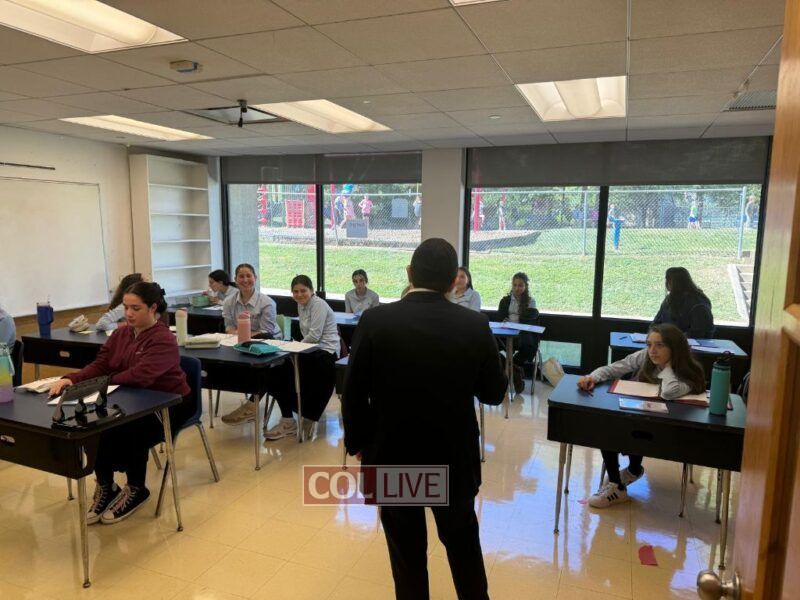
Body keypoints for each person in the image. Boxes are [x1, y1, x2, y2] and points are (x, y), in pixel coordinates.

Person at [343, 238, 506, 600]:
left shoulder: (376, 320)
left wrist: (360, 443)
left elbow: (352, 392)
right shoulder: (475, 324)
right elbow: (493, 394)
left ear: (409, 273)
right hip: (454, 459)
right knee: (463, 546)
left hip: (393, 455)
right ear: (453, 281)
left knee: (407, 554)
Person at [48, 282, 191, 524]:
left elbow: (140, 376)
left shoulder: (164, 339)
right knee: (94, 425)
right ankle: (107, 485)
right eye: (126, 307)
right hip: (128, 398)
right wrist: (71, 379)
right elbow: (101, 364)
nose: (129, 314)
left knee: (130, 427)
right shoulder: (121, 334)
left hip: (169, 404)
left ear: (152, 308)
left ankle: (137, 488)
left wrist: (102, 383)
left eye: (136, 308)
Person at [577, 324, 705, 508]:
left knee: (632, 430)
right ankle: (617, 485)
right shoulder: (646, 356)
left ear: (675, 348)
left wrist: (668, 365)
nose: (652, 351)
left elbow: (668, 392)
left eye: (660, 345)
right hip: (641, 414)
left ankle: (633, 470)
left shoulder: (687, 374)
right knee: (608, 424)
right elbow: (616, 368)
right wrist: (592, 377)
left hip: (666, 427)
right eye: (649, 344)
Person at [264, 275, 339, 441]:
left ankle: (294, 418)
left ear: (312, 290)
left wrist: (293, 347)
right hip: (309, 351)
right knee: (275, 372)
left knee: (281, 372)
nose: (299, 295)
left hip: (325, 353)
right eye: (295, 292)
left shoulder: (318, 304)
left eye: (303, 291)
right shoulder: (301, 305)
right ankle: (288, 419)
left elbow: (314, 335)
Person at [220, 263, 282, 425]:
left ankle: (251, 406)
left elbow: (266, 332)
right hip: (242, 343)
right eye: (241, 276)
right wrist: (242, 335)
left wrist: (241, 334)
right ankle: (250, 403)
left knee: (263, 369)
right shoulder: (229, 302)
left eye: (249, 276)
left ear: (255, 278)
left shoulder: (267, 302)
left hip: (269, 344)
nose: (245, 280)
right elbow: (228, 328)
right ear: (235, 279)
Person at [497, 272, 539, 394]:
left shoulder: (530, 301)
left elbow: (529, 319)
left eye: (520, 285)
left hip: (523, 333)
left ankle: (511, 367)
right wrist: (504, 320)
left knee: (528, 346)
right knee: (491, 345)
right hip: (506, 332)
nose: (517, 288)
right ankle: (515, 372)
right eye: (514, 285)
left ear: (526, 286)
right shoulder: (505, 300)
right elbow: (500, 317)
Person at [652, 267, 715, 339]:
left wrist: (672, 339)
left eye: (668, 281)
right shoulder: (669, 300)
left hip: (689, 343)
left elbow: (698, 333)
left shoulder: (699, 304)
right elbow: (656, 323)